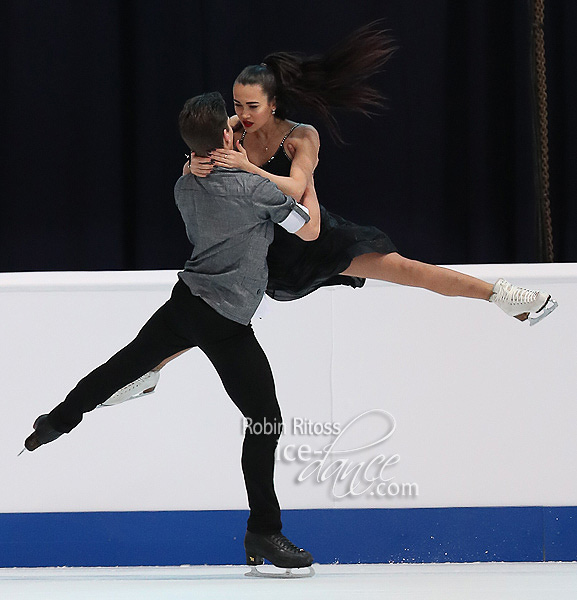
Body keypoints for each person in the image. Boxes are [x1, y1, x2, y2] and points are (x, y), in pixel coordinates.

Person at [104, 22, 557, 404]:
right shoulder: (233, 132)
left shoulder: (301, 136)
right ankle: (147, 373)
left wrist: (243, 165)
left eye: (252, 106)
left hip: (312, 234)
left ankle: (499, 295)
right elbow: (198, 155)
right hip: (260, 250)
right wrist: (194, 162)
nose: (241, 115)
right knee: (209, 313)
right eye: (237, 104)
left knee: (406, 270)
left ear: (274, 103)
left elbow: (297, 188)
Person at [23, 92, 319, 576]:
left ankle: (56, 420)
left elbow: (200, 159)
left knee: (125, 363)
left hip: (186, 305)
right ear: (227, 137)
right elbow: (305, 228)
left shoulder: (185, 185)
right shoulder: (252, 189)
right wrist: (299, 173)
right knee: (264, 417)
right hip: (226, 322)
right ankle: (263, 528)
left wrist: (197, 159)